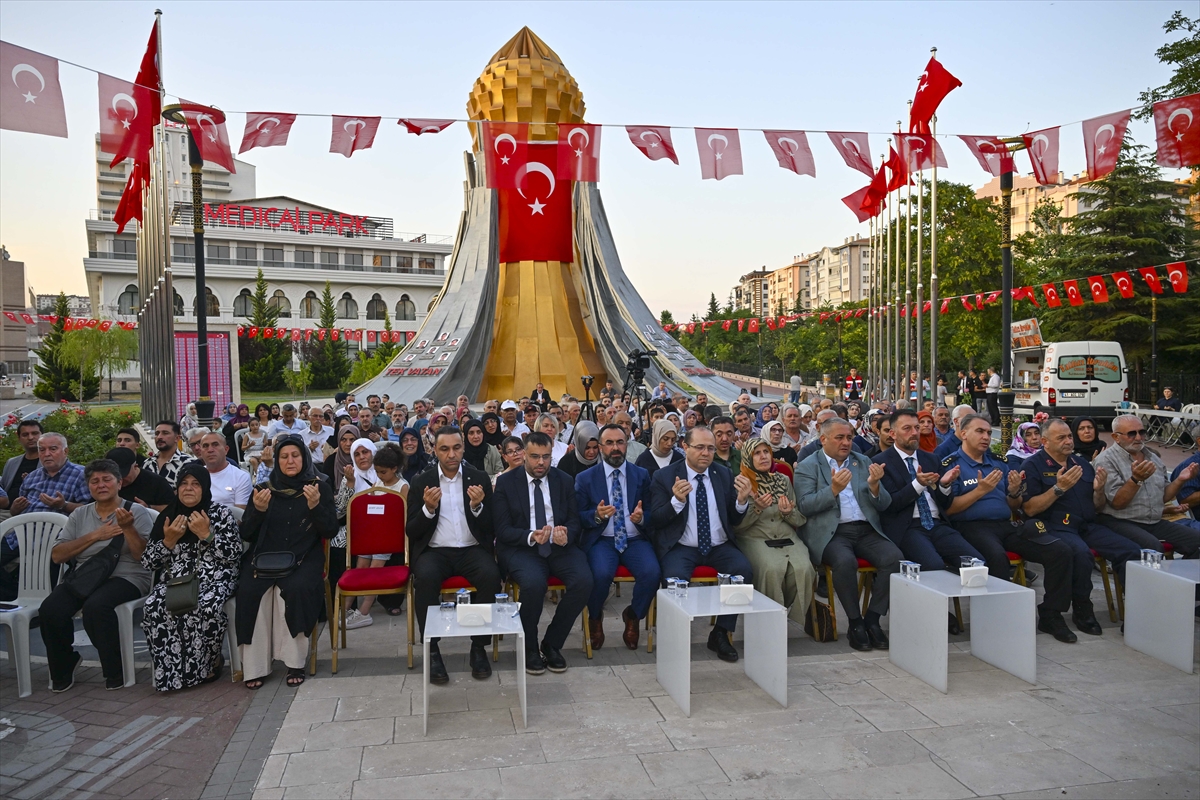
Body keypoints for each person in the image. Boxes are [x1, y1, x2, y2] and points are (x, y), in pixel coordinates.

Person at [939, 414, 1081, 643]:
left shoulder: (998, 462)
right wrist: (980, 491)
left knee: (1059, 551)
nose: (986, 437)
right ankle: (995, 621)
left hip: (1006, 524)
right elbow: (949, 510)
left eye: (987, 432)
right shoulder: (951, 465)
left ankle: (1051, 614)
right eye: (979, 432)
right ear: (963, 434)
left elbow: (1014, 505)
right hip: (970, 526)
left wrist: (1014, 492)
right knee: (995, 557)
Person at [39, 459, 154, 691]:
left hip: (127, 576)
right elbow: (58, 556)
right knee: (50, 609)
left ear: (119, 483)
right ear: (89, 486)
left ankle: (115, 668)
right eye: (94, 481)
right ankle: (64, 664)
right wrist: (95, 535)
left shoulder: (135, 511)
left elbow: (143, 557)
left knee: (96, 607)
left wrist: (129, 527)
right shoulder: (79, 515)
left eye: (107, 479)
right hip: (86, 576)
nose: (100, 485)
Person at [1022, 418, 1141, 633]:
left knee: (1130, 551)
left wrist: (1098, 491)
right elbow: (1029, 509)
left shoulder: (1081, 464)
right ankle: (1082, 609)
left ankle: (1137, 611)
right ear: (1045, 442)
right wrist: (1058, 488)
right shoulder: (1032, 466)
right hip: (1056, 525)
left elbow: (1097, 506)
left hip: (1086, 525)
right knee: (1081, 554)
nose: (1068, 441)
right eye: (1061, 438)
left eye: (1069, 436)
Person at [649, 427, 754, 663]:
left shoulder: (723, 474)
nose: (706, 453)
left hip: (719, 546)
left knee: (743, 571)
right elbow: (655, 519)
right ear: (685, 447)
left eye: (710, 448)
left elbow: (734, 519)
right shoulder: (665, 477)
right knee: (674, 578)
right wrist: (676, 501)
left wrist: (741, 501)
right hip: (682, 547)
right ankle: (676, 636)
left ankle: (720, 633)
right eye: (700, 447)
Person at [238, 436, 335, 689]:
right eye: (284, 456)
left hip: (305, 556)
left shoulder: (318, 487)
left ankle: (295, 663)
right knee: (250, 590)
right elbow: (246, 534)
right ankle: (255, 666)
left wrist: (315, 506)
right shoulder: (263, 489)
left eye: (295, 455)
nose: (290, 461)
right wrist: (258, 511)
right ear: (277, 460)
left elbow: (330, 531)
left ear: (304, 458)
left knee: (296, 588)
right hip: (265, 557)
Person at [493, 432, 592, 674]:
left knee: (584, 581)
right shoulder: (506, 483)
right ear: (524, 455)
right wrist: (530, 535)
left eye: (546, 457)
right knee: (534, 584)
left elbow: (574, 520)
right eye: (535, 457)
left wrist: (566, 533)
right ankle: (529, 646)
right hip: (521, 548)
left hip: (558, 547)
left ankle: (552, 644)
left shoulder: (564, 480)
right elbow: (502, 529)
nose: (541, 463)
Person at [408, 427, 500, 683]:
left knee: (491, 576)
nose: (451, 454)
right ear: (435, 450)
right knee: (424, 579)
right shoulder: (421, 481)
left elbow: (491, 525)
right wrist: (428, 508)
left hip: (471, 550)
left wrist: (478, 506)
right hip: (435, 551)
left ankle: (478, 647)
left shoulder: (478, 477)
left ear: (463, 448)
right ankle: (433, 648)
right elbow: (411, 530)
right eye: (445, 449)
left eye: (456, 448)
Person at [795, 418, 896, 651]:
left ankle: (872, 619)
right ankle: (855, 622)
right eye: (839, 437)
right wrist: (833, 490)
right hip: (832, 533)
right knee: (844, 562)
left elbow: (884, 504)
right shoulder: (809, 466)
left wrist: (874, 487)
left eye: (849, 437)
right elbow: (804, 506)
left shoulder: (862, 461)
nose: (846, 442)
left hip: (866, 529)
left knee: (894, 558)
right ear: (823, 439)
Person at [141, 461, 242, 690]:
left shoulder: (219, 513)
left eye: (195, 484)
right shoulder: (168, 517)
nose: (188, 488)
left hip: (218, 576)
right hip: (179, 580)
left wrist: (207, 535)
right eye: (184, 483)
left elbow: (233, 555)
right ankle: (173, 674)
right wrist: (168, 541)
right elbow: (148, 562)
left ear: (205, 488)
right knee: (154, 606)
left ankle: (209, 664)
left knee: (205, 606)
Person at [874, 410, 983, 611]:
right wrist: (917, 484)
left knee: (976, 563)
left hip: (937, 523)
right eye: (907, 428)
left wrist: (944, 485)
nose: (914, 433)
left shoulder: (930, 459)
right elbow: (892, 504)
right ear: (893, 433)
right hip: (908, 527)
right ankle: (937, 614)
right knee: (933, 566)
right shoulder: (881, 462)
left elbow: (943, 501)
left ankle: (981, 617)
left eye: (916, 428)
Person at [576, 424, 657, 651]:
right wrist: (595, 515)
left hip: (634, 539)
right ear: (601, 447)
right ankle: (594, 617)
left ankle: (633, 615)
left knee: (652, 573)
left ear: (627, 444)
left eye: (620, 442)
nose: (615, 448)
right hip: (602, 539)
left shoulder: (641, 475)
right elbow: (577, 517)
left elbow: (653, 513)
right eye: (609, 443)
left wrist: (641, 518)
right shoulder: (585, 478)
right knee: (600, 574)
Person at [1093, 415, 1200, 557]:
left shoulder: (1152, 457)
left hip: (1152, 521)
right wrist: (1136, 480)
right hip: (1120, 521)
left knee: (1196, 540)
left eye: (1142, 432)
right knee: (1153, 548)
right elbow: (1118, 503)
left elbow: (1162, 497)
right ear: (1116, 437)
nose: (1138, 438)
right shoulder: (1106, 460)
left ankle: (1182, 578)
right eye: (1132, 433)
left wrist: (1180, 480)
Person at [734, 436, 813, 627]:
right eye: (757, 453)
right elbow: (737, 526)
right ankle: (768, 622)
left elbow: (798, 519)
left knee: (804, 569)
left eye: (766, 452)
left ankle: (781, 613)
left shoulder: (783, 480)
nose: (763, 457)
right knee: (772, 569)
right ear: (747, 458)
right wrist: (757, 509)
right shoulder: (741, 483)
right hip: (755, 537)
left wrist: (787, 513)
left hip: (786, 536)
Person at [106, 447, 173, 511]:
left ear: (135, 466)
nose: (120, 480)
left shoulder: (156, 482)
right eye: (115, 477)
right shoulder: (103, 484)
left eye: (124, 475)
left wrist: (149, 508)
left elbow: (173, 508)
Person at [198, 432, 252, 509]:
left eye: (215, 445)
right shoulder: (195, 476)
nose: (210, 450)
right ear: (201, 452)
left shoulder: (241, 477)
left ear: (226, 450)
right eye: (205, 446)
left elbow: (240, 515)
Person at [144, 420, 197, 487]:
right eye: (157, 433)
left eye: (165, 433)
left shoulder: (188, 463)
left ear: (177, 438)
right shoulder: (147, 463)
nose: (159, 437)